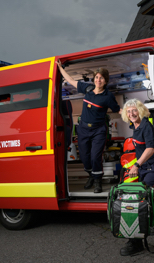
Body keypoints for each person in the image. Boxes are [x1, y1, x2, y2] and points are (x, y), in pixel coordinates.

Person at [56, 60, 121, 193]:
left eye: (101, 78)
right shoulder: (88, 89)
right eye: (97, 77)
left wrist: (133, 116)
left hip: (99, 130)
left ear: (105, 81)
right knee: (85, 157)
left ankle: (97, 181)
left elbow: (118, 110)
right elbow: (70, 80)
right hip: (84, 129)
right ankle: (91, 175)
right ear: (94, 79)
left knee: (95, 156)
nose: (98, 80)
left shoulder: (108, 96)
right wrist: (60, 68)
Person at [120, 98, 154, 256]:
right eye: (129, 111)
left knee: (140, 201)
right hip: (144, 168)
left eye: (134, 110)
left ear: (140, 110)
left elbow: (151, 149)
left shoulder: (146, 125)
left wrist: (136, 166)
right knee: (151, 199)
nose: (132, 113)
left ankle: (136, 242)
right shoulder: (135, 125)